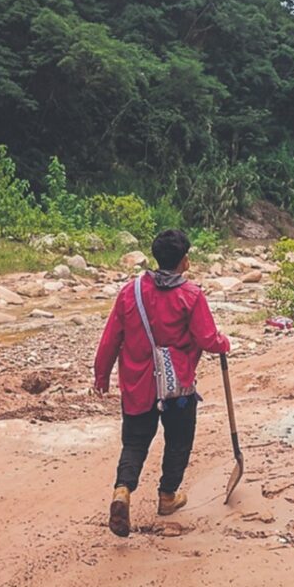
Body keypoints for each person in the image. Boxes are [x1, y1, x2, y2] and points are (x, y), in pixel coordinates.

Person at [94, 229, 230, 537]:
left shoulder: (130, 292)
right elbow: (207, 339)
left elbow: (111, 337)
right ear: (185, 261)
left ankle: (122, 490)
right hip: (176, 387)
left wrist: (101, 375)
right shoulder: (191, 295)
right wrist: (224, 343)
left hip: (138, 385)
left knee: (135, 441)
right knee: (179, 439)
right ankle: (167, 496)